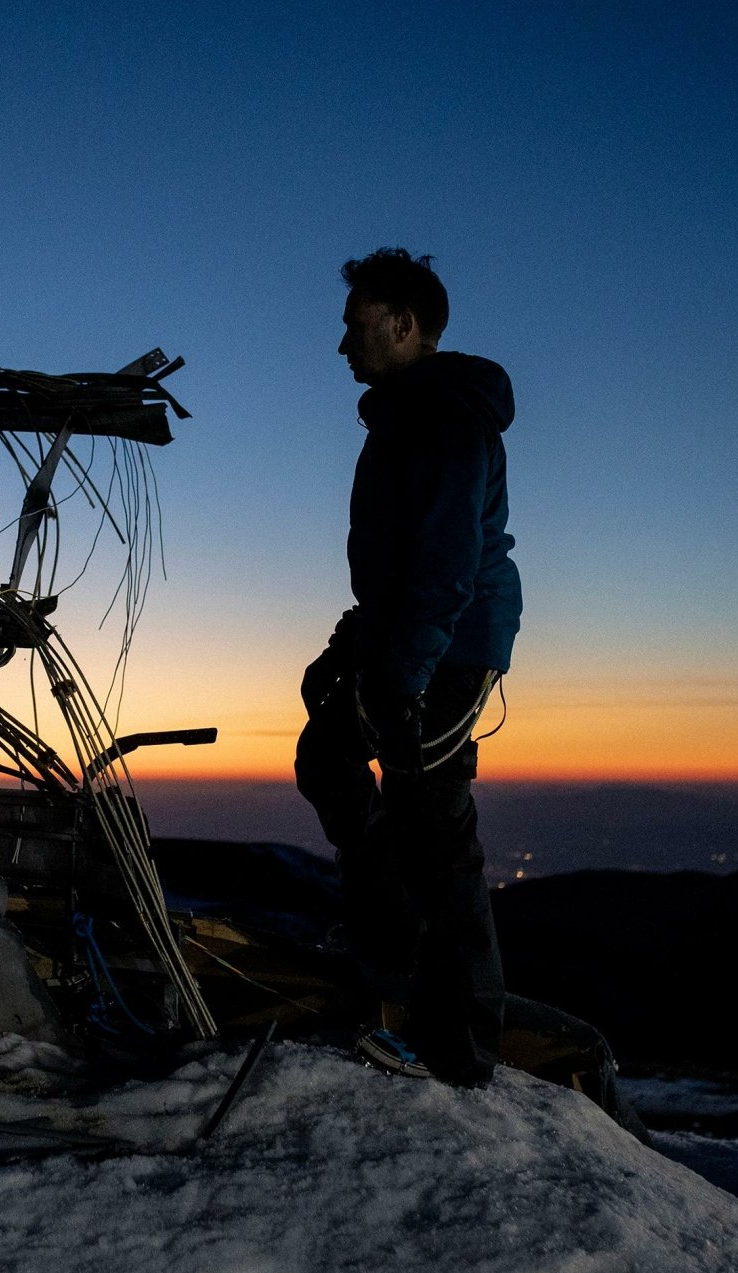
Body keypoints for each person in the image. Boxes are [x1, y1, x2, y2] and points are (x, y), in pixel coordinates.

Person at [296, 248, 521, 1086]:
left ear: (404, 325)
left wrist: (403, 673)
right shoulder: (406, 413)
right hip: (407, 634)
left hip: (449, 643)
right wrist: (350, 647)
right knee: (329, 758)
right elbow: (398, 565)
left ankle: (460, 1046)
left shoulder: (445, 419)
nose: (342, 345)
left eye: (355, 326)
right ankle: (393, 952)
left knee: (433, 820)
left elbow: (447, 565)